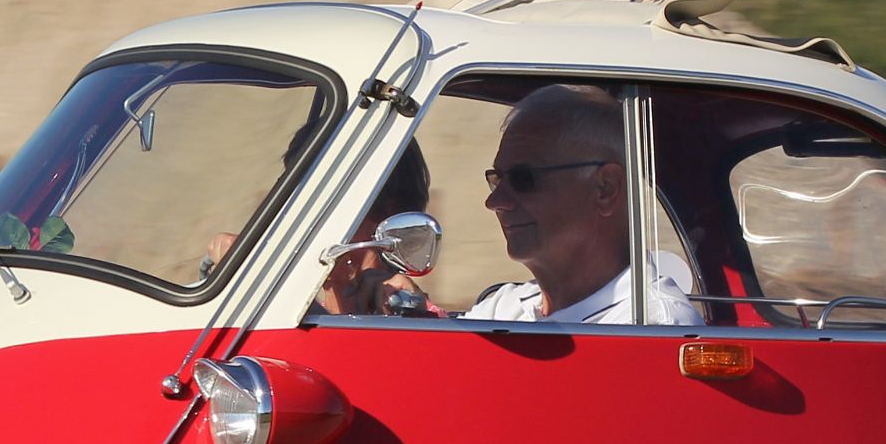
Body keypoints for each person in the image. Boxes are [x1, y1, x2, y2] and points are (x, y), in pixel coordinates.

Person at [464, 84, 702, 325]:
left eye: (523, 178)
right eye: (496, 178)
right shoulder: (505, 307)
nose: (495, 202)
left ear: (605, 189)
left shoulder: (653, 326)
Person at [203, 138, 437, 316]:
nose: (296, 214)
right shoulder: (296, 308)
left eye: (320, 199)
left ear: (387, 215)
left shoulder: (408, 309)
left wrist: (408, 308)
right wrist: (242, 278)